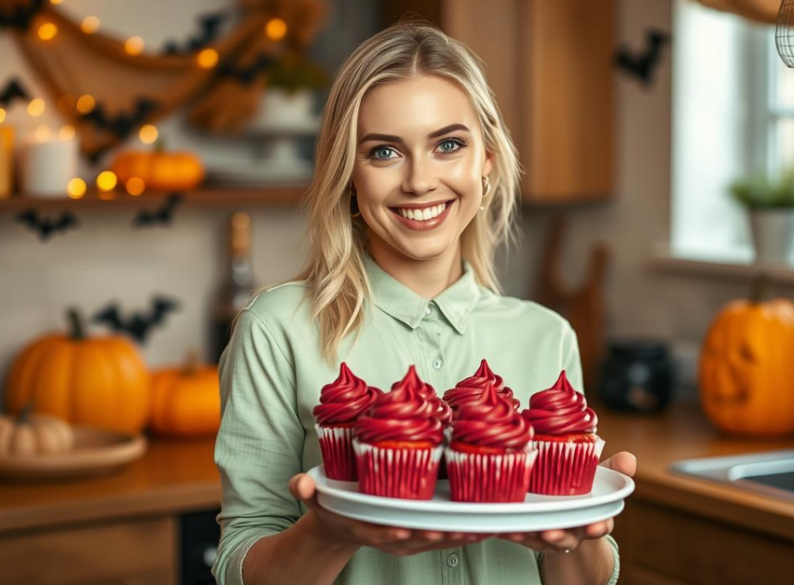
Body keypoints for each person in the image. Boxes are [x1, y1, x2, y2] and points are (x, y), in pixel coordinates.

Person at [212, 22, 636, 585]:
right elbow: (242, 562)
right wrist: (332, 529)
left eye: (448, 145)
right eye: (384, 151)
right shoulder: (276, 330)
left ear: (485, 158)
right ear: (348, 175)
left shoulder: (547, 335)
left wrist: (580, 535)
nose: (419, 180)